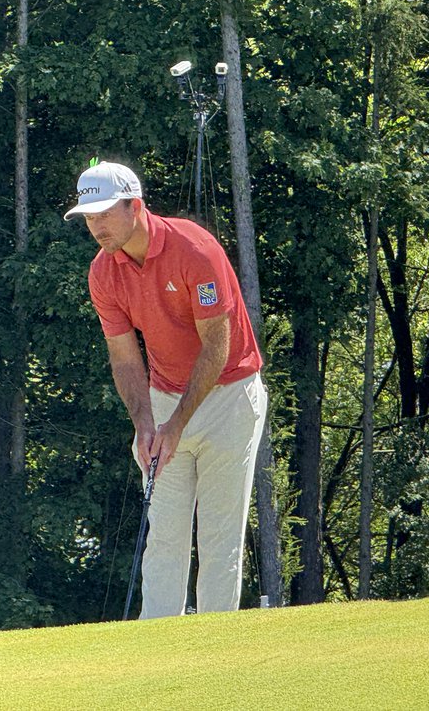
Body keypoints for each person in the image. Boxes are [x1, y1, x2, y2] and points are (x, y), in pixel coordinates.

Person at [65, 160, 267, 616]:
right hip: (163, 400)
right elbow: (124, 358)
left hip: (229, 397)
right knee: (165, 537)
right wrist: (145, 425)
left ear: (135, 206)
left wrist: (175, 425)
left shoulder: (195, 250)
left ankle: (214, 653)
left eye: (103, 213)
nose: (95, 226)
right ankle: (157, 650)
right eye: (88, 217)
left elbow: (218, 346)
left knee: (218, 537)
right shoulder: (103, 272)